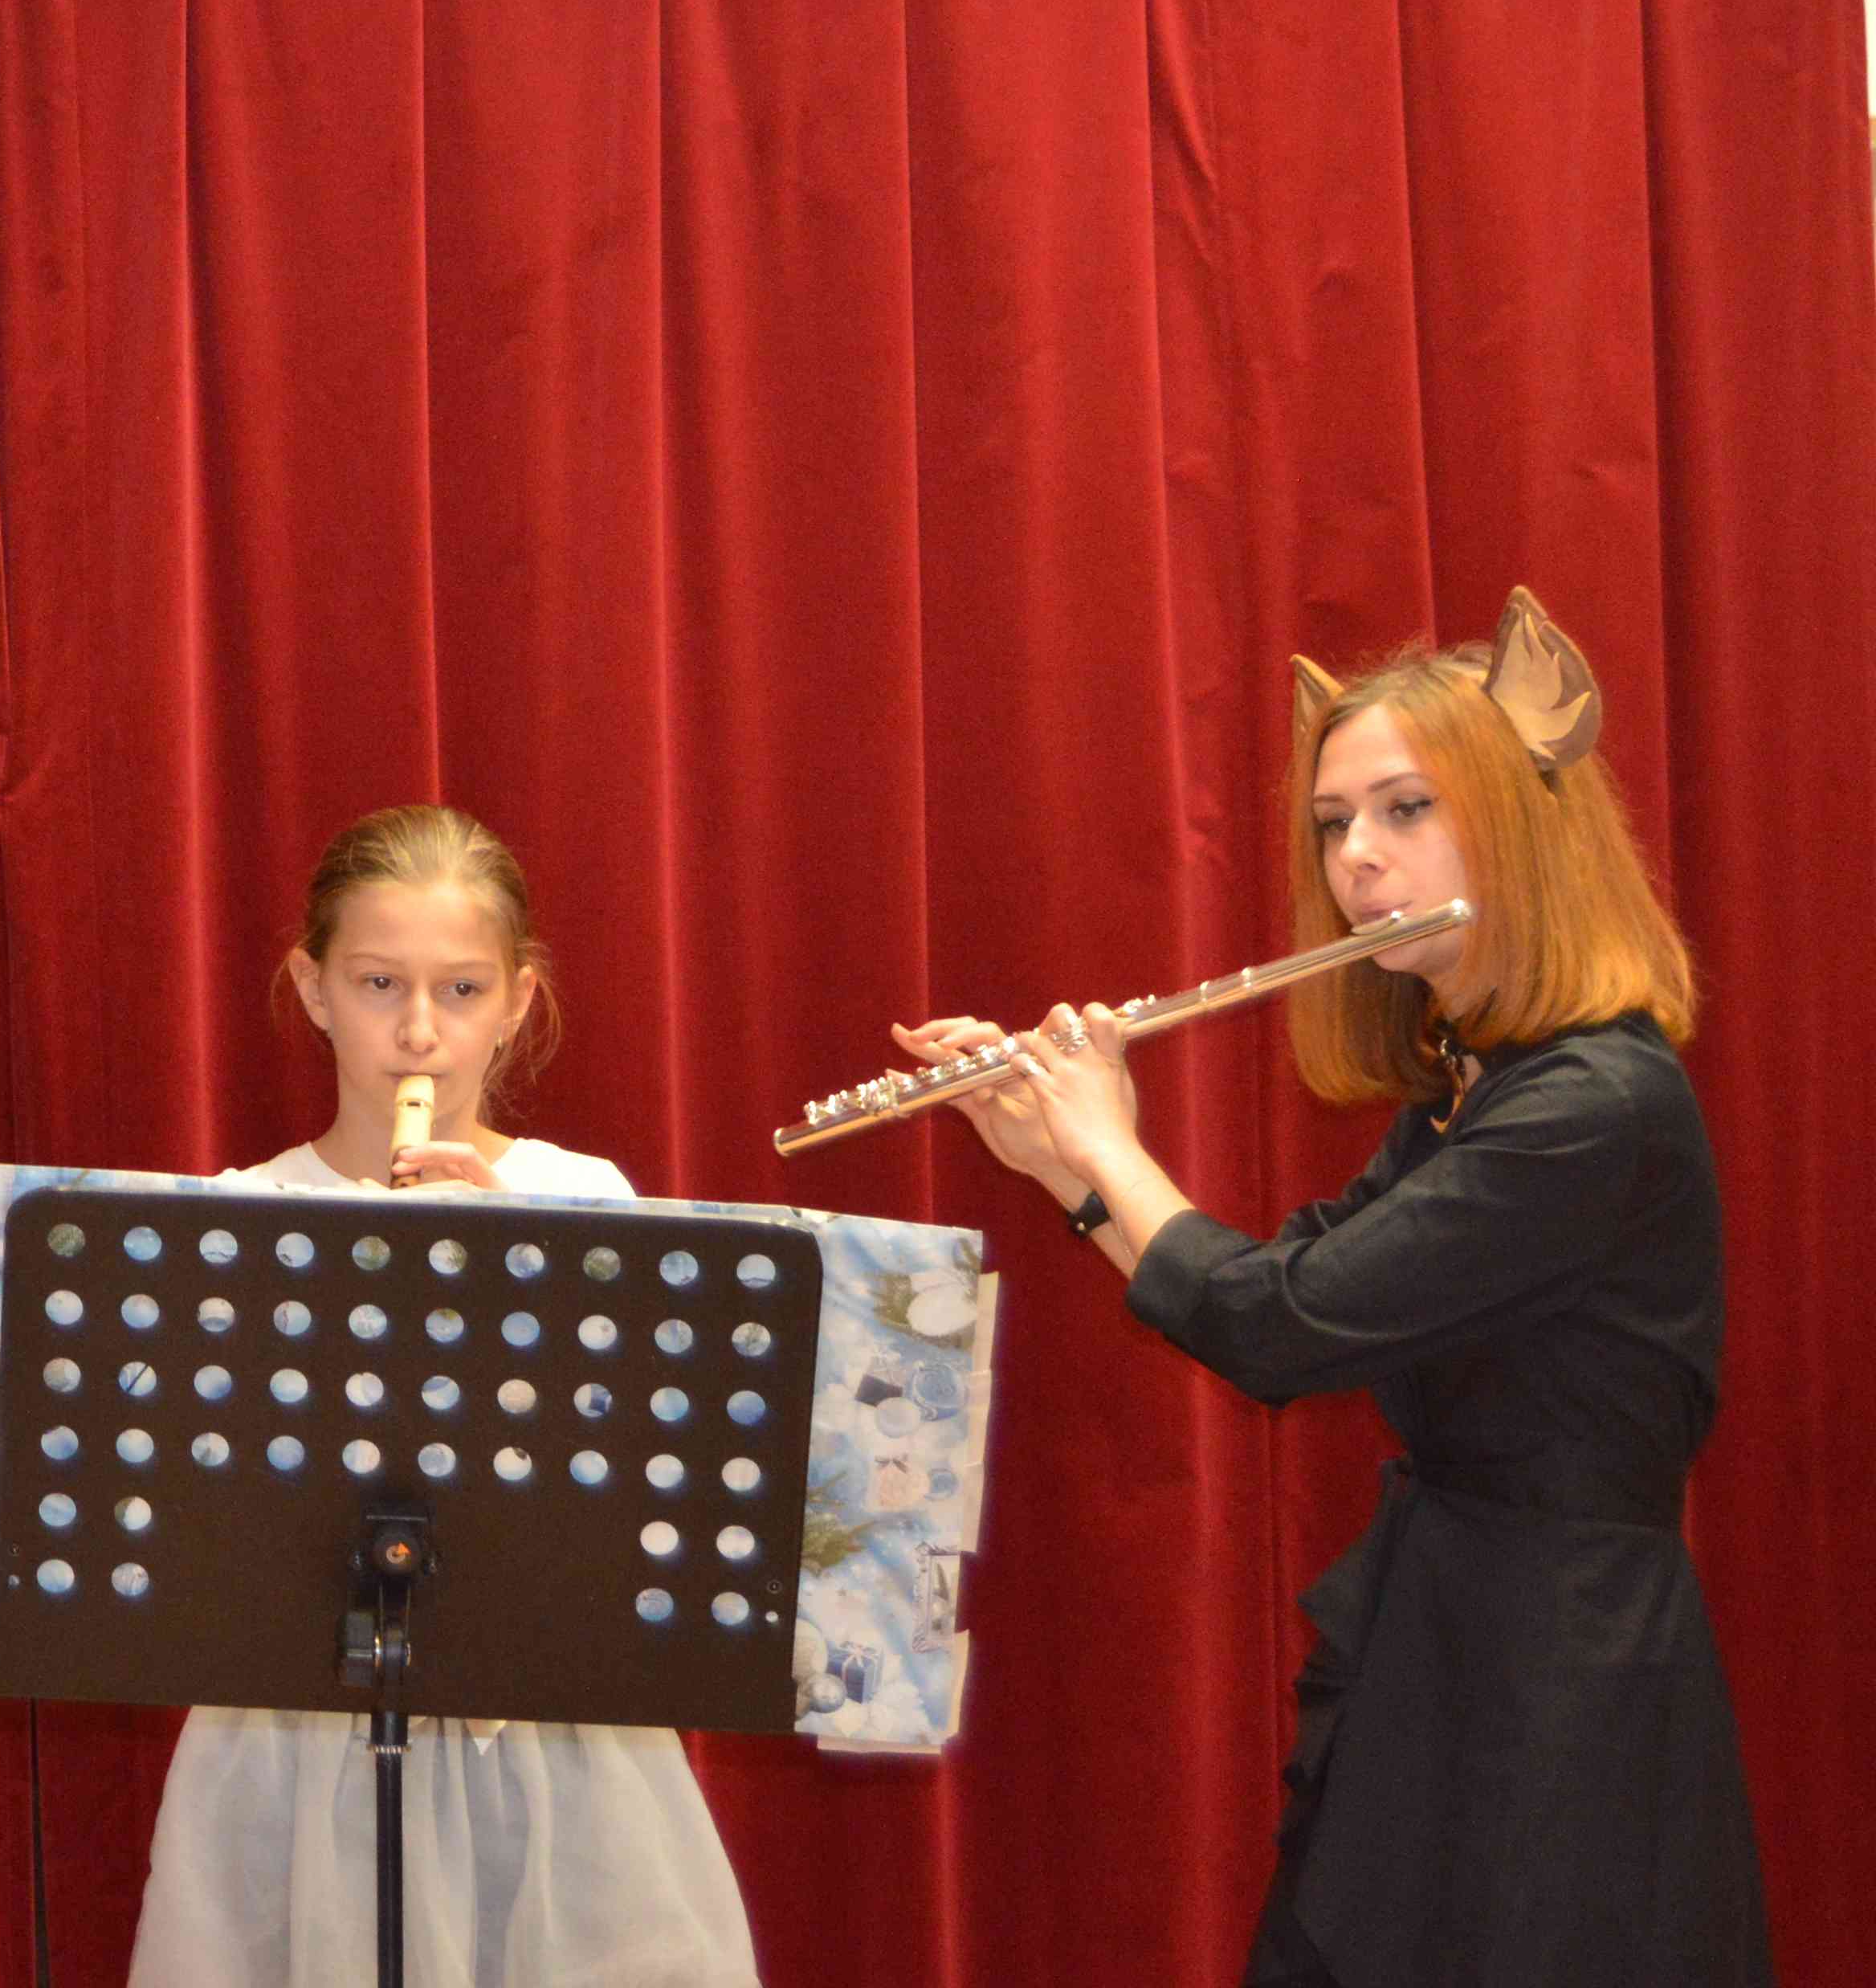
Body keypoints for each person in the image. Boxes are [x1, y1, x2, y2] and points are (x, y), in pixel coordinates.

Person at [894, 587, 1768, 1987]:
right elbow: (1279, 1289)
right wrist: (1065, 1169)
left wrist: (1111, 1148)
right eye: (1333, 823)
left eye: (1405, 810)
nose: (1357, 858)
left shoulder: (1592, 1108)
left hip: (1564, 1689)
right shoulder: (1475, 1089)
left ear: (1523, 823)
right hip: (1459, 1645)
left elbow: (1282, 1326)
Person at [125, 806, 763, 1988]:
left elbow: (643, 1503)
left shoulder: (588, 1202)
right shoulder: (240, 1218)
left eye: (462, 991)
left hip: (561, 1756)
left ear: (517, 1002)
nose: (419, 1031)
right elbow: (203, 1527)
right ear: (313, 990)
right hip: (298, 1751)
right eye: (378, 984)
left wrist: (507, 1270)